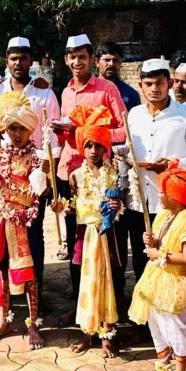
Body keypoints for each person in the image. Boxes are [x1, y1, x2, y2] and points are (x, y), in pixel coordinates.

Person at [119, 59, 186, 311]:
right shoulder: (134, 115)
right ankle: (148, 316)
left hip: (173, 204)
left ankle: (180, 313)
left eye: (159, 83)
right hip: (139, 199)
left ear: (169, 83)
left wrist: (173, 164)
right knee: (143, 256)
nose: (154, 88)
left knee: (175, 259)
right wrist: (125, 159)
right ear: (140, 85)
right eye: (149, 83)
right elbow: (129, 151)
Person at [129, 163, 186, 371]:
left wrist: (158, 255)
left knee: (175, 329)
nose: (159, 195)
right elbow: (160, 243)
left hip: (174, 284)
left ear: (176, 196)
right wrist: (151, 241)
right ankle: (163, 369)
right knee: (157, 326)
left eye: (163, 192)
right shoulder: (165, 215)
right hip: (156, 280)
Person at [0, 37, 61, 292]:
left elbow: (53, 139)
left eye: (23, 58)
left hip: (35, 173)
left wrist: (49, 178)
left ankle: (35, 292)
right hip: (5, 174)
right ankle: (8, 295)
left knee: (33, 233)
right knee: (4, 233)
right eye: (13, 58)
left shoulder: (44, 94)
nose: (18, 63)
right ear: (6, 61)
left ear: (30, 61)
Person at [53, 34, 127, 263]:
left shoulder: (107, 89)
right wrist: (61, 131)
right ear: (66, 60)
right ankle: (78, 281)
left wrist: (97, 135)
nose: (78, 62)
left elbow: (125, 129)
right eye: (73, 57)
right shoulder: (66, 92)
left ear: (92, 59)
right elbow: (68, 135)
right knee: (75, 233)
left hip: (100, 173)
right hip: (70, 171)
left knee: (107, 231)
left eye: (82, 57)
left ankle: (111, 280)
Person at [0, 91, 46, 349]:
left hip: (25, 222)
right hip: (0, 221)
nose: (17, 134)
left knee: (29, 273)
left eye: (22, 129)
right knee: (2, 269)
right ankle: (3, 321)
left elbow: (37, 193)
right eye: (12, 128)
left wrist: (44, 175)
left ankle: (33, 323)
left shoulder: (38, 157)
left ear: (30, 130)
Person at [59, 105, 121, 357]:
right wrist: (63, 207)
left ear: (106, 149)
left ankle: (108, 334)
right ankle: (88, 332)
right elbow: (72, 206)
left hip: (108, 235)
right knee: (86, 281)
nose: (94, 150)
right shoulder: (74, 176)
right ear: (81, 148)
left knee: (108, 282)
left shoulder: (114, 174)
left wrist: (117, 206)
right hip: (84, 236)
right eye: (89, 145)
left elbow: (121, 204)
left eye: (98, 146)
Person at [96, 42, 140, 111]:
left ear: (120, 63)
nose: (111, 64)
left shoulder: (131, 94)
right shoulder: (87, 90)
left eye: (115, 60)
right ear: (97, 62)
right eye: (107, 60)